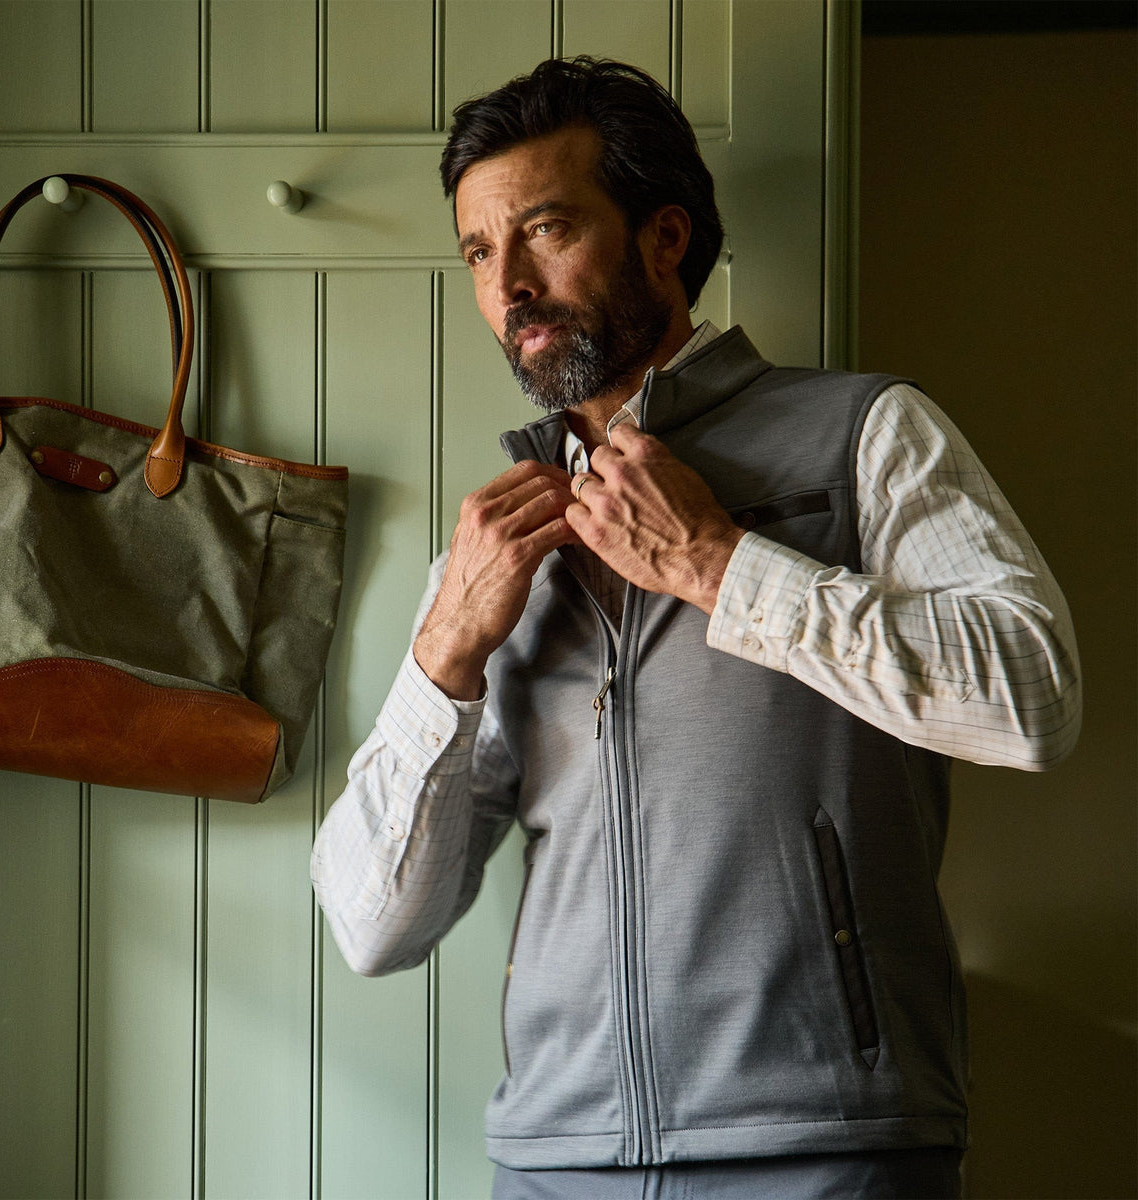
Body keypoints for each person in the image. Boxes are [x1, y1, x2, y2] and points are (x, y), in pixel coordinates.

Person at [311, 57, 1080, 1199]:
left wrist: (723, 566)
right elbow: (373, 929)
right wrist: (445, 657)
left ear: (664, 238)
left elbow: (1032, 701)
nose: (508, 284)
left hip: (827, 1149)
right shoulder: (490, 552)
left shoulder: (867, 436)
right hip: (556, 1159)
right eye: (479, 252)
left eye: (545, 230)